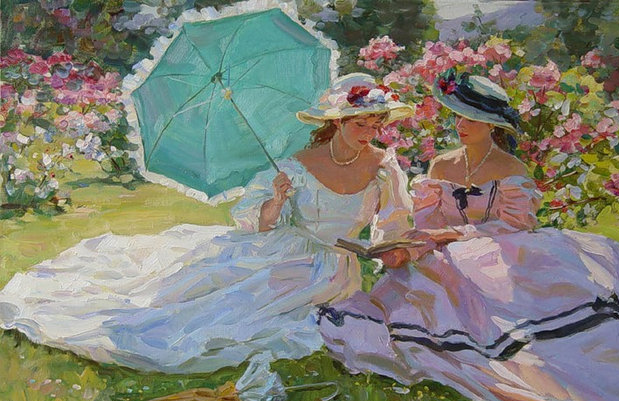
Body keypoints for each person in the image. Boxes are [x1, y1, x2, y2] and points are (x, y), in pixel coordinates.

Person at [318, 70, 619, 401]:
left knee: (534, 312)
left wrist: (456, 236)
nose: (461, 126)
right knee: (414, 293)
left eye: (471, 119)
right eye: (458, 117)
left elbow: (514, 227)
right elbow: (428, 228)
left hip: (504, 258)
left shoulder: (511, 169)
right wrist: (407, 249)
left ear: (491, 125)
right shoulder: (441, 166)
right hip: (446, 261)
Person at [0, 73, 414, 374]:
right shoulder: (296, 166)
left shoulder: (384, 168)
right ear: (337, 122)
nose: (369, 133)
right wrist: (276, 200)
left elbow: (394, 226)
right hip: (287, 250)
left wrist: (389, 250)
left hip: (337, 267)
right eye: (361, 124)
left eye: (376, 124)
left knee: (256, 306)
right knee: (205, 299)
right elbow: (260, 223)